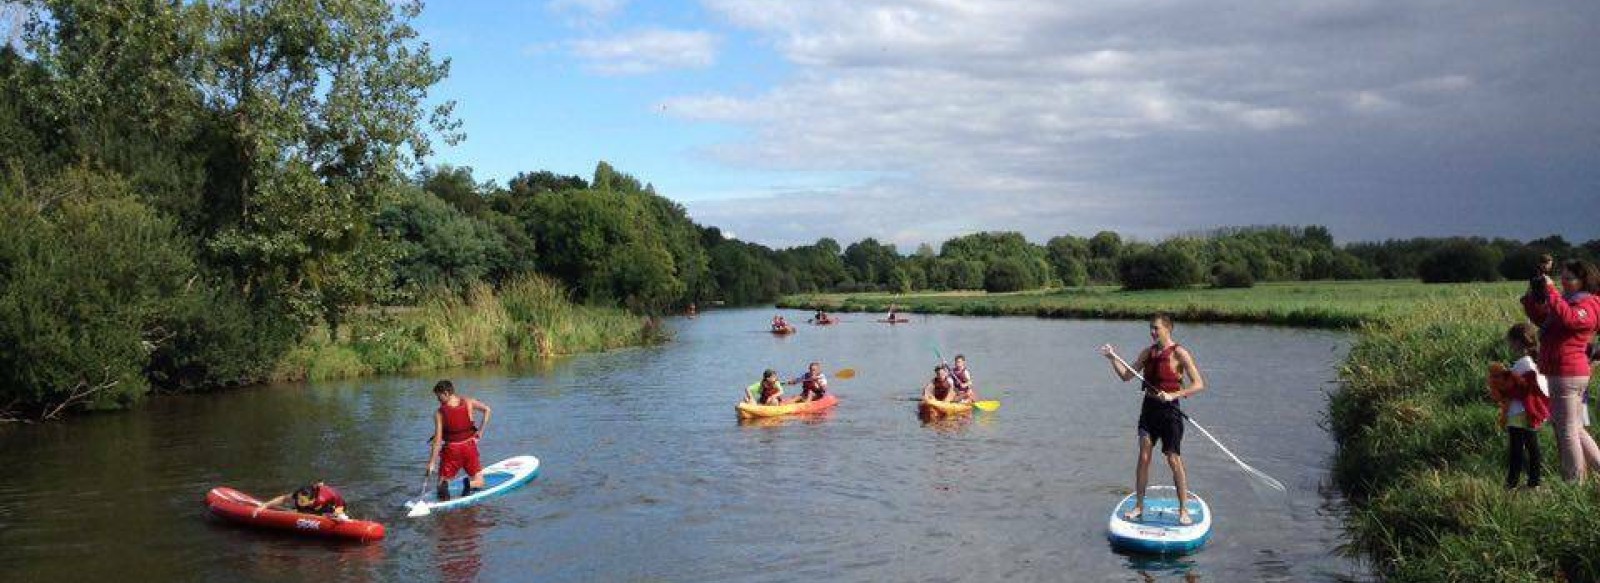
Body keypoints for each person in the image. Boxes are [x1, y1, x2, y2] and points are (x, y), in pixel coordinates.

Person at [1099, 312, 1207, 526]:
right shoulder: (1147, 353)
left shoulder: (1180, 353)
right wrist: (1113, 359)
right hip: (1149, 410)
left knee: (1172, 458)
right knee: (1144, 456)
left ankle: (1183, 509)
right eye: (1150, 328)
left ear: (1168, 329)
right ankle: (1139, 506)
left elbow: (1198, 384)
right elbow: (1126, 376)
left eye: (1156, 328)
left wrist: (1173, 395)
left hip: (1170, 412)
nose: (1152, 332)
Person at [1522, 259, 1600, 481]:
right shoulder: (1568, 301)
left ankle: (1574, 484)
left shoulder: (1589, 304)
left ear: (1584, 280)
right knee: (1573, 428)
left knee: (1566, 431)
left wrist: (1551, 290)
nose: (1564, 282)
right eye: (1562, 278)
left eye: (1569, 278)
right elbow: (1542, 318)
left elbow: (1570, 320)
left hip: (1568, 372)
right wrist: (1534, 293)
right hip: (1563, 372)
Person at [1488, 324, 1551, 489]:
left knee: (1517, 449)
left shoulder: (1523, 365)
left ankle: (1512, 482)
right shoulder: (1531, 363)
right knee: (1532, 445)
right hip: (1527, 412)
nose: (1509, 346)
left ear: (1517, 343)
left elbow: (1516, 389)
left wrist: (1499, 383)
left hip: (1518, 412)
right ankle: (1534, 482)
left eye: (1510, 342)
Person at [427, 380, 493, 501]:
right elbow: (487, 410)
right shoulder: (469, 402)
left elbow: (437, 440)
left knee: (441, 486)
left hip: (452, 451)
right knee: (480, 482)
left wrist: (431, 463)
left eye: (439, 396)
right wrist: (480, 431)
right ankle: (469, 484)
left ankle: (444, 512)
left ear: (446, 393)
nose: (438, 400)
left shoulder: (439, 413)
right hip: (469, 447)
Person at [258, 482, 349, 520]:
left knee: (334, 514)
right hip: (311, 505)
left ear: (311, 500)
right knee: (300, 509)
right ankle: (303, 512)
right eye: (298, 499)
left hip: (331, 506)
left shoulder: (324, 497)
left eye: (302, 501)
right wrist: (265, 505)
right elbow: (283, 498)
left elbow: (340, 505)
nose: (299, 501)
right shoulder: (300, 493)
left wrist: (336, 514)